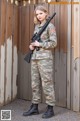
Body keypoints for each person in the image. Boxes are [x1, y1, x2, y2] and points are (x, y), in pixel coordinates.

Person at [23, 5, 57, 118]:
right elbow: (35, 40)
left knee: (47, 83)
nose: (39, 16)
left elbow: (53, 43)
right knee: (35, 83)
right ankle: (34, 107)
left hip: (45, 59)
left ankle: (50, 108)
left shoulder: (50, 26)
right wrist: (32, 45)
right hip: (35, 58)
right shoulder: (37, 27)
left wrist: (40, 44)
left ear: (46, 13)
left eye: (40, 14)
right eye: (37, 14)